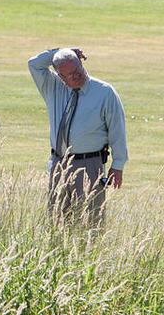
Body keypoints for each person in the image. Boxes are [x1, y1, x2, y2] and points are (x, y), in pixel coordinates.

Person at [28, 47, 128, 226]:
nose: (76, 76)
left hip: (89, 164)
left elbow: (117, 130)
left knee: (91, 223)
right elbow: (33, 63)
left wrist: (118, 164)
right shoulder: (52, 87)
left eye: (77, 70)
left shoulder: (104, 92)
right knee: (56, 223)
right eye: (69, 74)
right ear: (60, 76)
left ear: (81, 63)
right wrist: (61, 51)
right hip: (58, 163)